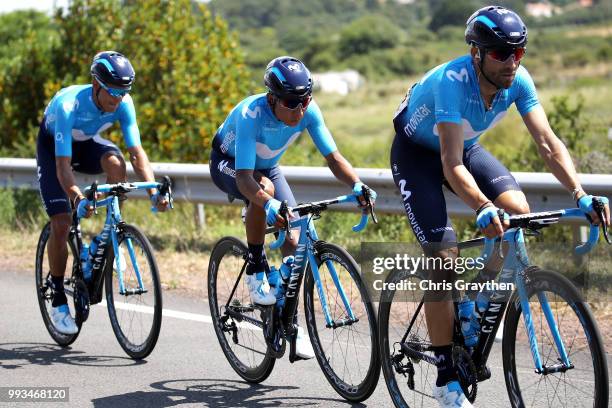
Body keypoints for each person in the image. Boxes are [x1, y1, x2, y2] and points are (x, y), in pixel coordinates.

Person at [390, 6, 609, 407]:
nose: (511, 62)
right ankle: (445, 378)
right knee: (443, 253)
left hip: (464, 148)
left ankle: (474, 302)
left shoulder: (518, 80)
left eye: (518, 52)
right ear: (476, 53)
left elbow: (547, 143)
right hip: (419, 156)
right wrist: (480, 206)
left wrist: (580, 193)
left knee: (518, 213)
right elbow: (450, 164)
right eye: (500, 54)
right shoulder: (451, 83)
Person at [210, 56, 376, 359]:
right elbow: (247, 179)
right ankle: (256, 267)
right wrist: (267, 202)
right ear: (272, 98)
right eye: (290, 102)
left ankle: (289, 324)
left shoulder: (308, 111)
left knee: (294, 240)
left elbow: (334, 158)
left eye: (305, 100)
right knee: (266, 192)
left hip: (268, 167)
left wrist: (356, 184)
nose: (299, 110)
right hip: (230, 165)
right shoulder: (251, 114)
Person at [36, 51, 169, 335]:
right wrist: (77, 197)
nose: (117, 99)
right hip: (54, 150)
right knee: (61, 222)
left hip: (85, 144)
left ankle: (106, 233)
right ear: (95, 85)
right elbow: (62, 168)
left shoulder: (123, 103)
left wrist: (153, 191)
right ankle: (58, 296)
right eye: (112, 92)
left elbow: (136, 153)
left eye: (124, 92)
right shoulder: (68, 106)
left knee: (116, 163)